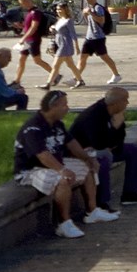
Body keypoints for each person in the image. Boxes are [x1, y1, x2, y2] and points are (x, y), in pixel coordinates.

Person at [13, 91, 115, 236]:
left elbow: (72, 143)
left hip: (53, 164)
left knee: (87, 168)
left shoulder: (57, 125)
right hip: (31, 170)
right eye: (64, 105)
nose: (67, 108)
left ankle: (92, 212)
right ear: (53, 106)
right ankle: (64, 223)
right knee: (63, 180)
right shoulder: (33, 128)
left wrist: (88, 159)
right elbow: (42, 155)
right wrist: (62, 170)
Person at [68, 86, 137, 208]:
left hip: (102, 150)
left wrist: (116, 130)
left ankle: (130, 194)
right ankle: (102, 202)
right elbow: (99, 145)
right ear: (116, 103)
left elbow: (119, 141)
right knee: (103, 161)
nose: (128, 103)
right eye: (125, 100)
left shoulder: (114, 113)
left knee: (133, 150)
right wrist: (115, 128)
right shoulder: (93, 116)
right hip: (83, 154)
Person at [45, 3, 83, 89]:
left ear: (65, 10)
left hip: (65, 45)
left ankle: (48, 84)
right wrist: (52, 28)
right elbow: (58, 29)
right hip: (60, 44)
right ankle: (80, 81)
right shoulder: (60, 19)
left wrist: (77, 47)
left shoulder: (68, 21)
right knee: (71, 65)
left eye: (60, 9)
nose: (58, 11)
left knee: (55, 65)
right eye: (57, 9)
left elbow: (73, 34)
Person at [15, 2, 52, 83]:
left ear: (28, 1)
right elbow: (27, 27)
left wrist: (23, 38)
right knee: (21, 59)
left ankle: (55, 74)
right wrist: (20, 26)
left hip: (33, 40)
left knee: (37, 60)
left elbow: (34, 27)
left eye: (23, 3)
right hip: (27, 40)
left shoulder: (36, 13)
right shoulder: (29, 13)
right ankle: (17, 81)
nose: (22, 5)